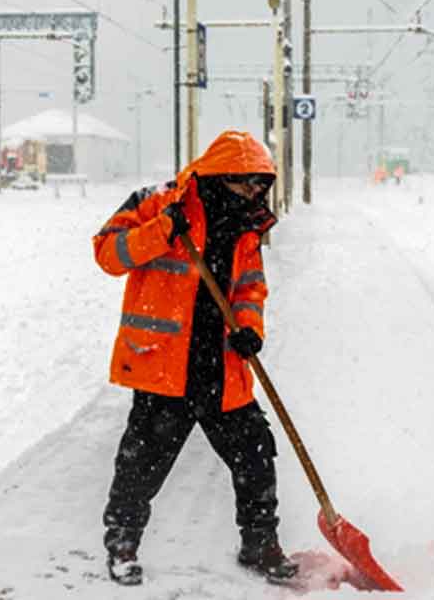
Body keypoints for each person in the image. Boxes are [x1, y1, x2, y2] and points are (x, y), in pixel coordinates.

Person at [90, 131, 298, 587]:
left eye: (260, 184)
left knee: (256, 454)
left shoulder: (247, 223)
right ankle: (122, 545)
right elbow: (108, 254)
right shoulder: (156, 202)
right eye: (247, 183)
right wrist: (163, 230)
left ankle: (259, 545)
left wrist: (249, 328)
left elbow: (250, 286)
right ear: (221, 175)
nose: (255, 193)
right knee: (141, 465)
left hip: (222, 367)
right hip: (165, 366)